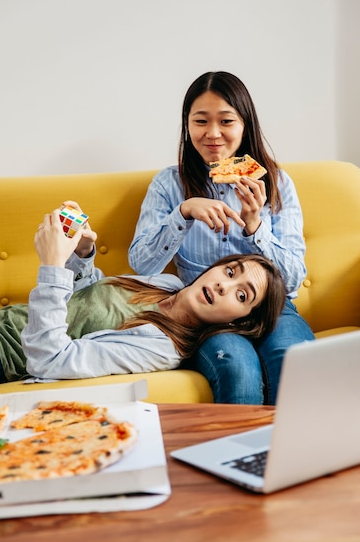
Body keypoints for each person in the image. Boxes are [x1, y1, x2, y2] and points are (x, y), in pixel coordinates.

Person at [128, 71, 315, 405]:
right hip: (207, 313)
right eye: (201, 121)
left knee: (295, 363)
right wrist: (183, 213)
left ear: (245, 125)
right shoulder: (169, 185)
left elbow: (292, 278)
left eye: (226, 121)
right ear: (187, 126)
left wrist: (255, 225)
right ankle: (235, 458)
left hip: (273, 307)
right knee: (238, 371)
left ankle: (298, 456)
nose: (212, 134)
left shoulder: (276, 183)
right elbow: (141, 264)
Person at [0, 203, 286, 388]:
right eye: (231, 272)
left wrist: (53, 266)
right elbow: (90, 300)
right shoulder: (167, 284)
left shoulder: (162, 349)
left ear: (237, 322)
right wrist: (83, 251)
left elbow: (49, 360)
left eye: (242, 296)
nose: (223, 286)